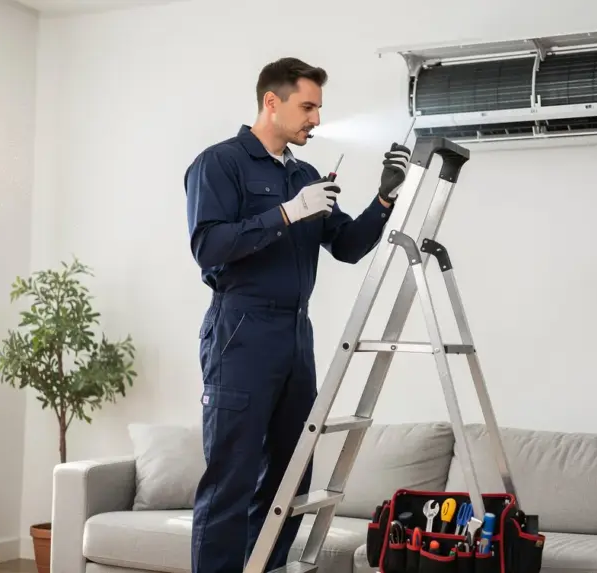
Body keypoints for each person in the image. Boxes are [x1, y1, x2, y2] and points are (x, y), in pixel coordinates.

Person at [183, 57, 411, 573]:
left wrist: (384, 198)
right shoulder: (220, 163)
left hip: (294, 336)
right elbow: (209, 246)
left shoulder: (305, 175)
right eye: (307, 106)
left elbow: (349, 246)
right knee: (232, 479)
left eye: (318, 109)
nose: (315, 119)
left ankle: (263, 568)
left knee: (291, 477)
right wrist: (286, 212)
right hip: (240, 332)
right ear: (272, 101)